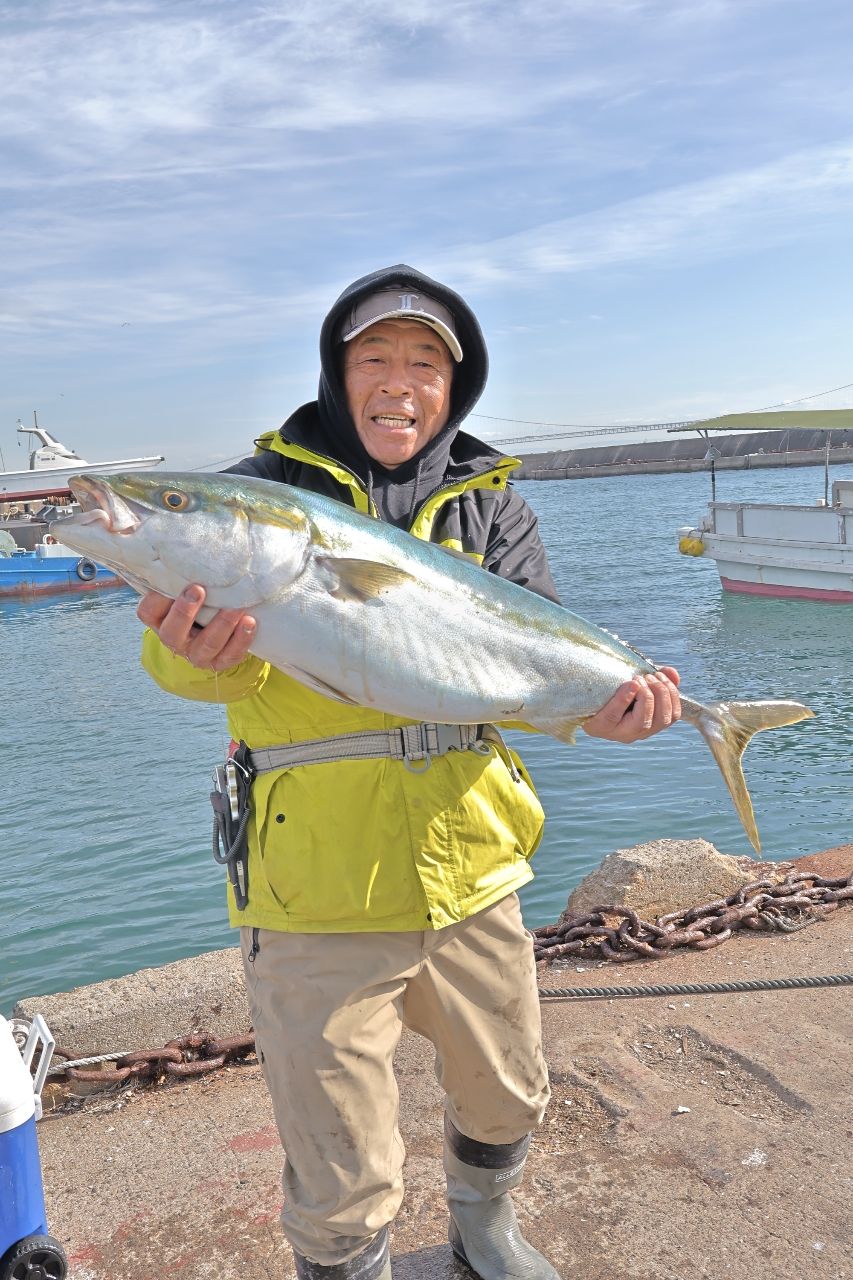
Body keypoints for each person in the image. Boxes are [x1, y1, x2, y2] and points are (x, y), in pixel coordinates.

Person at [137, 265, 681, 1280]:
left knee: (508, 1085)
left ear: (452, 386)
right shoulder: (266, 497)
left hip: (473, 860)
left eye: (423, 363)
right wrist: (187, 646)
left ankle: (485, 1226)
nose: (398, 382)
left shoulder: (492, 508)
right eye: (373, 359)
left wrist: (607, 711)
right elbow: (178, 663)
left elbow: (539, 665)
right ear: (337, 375)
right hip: (317, 883)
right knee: (339, 1150)